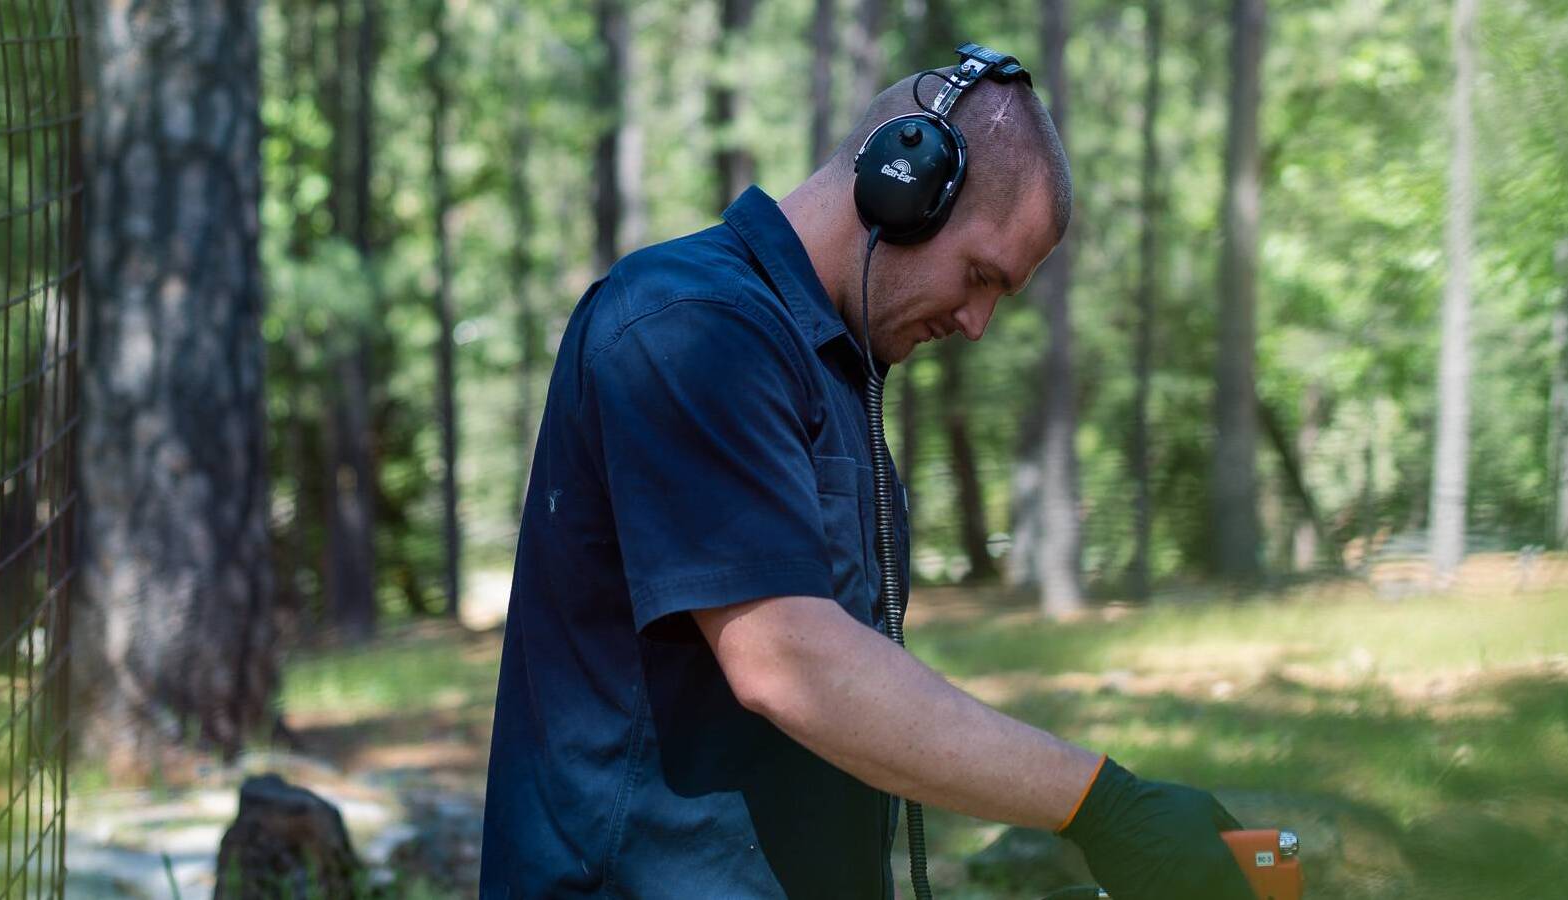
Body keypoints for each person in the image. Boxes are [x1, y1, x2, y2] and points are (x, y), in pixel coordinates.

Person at [479, 46, 1254, 900]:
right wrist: (1099, 802)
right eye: (981, 276)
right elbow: (788, 661)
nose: (977, 323)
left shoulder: (833, 370)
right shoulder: (690, 325)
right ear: (902, 187)